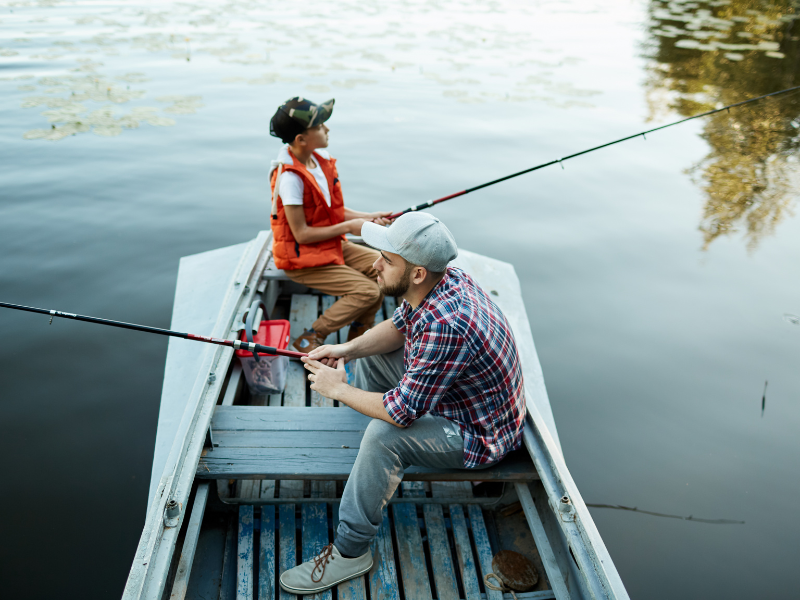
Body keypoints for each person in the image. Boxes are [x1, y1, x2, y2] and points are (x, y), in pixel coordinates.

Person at [278, 212, 527, 595]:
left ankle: (350, 552)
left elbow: (399, 413)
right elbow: (398, 329)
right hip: (458, 401)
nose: (375, 265)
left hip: (478, 434)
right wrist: (345, 348)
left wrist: (338, 388)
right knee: (373, 357)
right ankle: (372, 468)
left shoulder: (446, 323)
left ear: (416, 274)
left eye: (387, 260)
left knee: (383, 435)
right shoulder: (443, 279)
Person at [269, 96, 392, 352]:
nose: (327, 129)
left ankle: (359, 332)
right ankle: (310, 337)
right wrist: (349, 227)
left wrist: (368, 216)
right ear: (301, 139)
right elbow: (301, 235)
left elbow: (332, 211)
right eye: (320, 126)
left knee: (386, 271)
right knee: (368, 292)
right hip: (300, 257)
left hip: (328, 244)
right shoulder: (290, 178)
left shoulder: (318, 159)